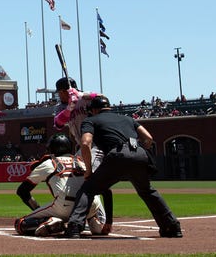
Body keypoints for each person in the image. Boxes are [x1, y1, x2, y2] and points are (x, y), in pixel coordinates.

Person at [63, 96, 182, 238]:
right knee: (147, 191)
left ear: (93, 110)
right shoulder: (128, 119)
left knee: (88, 189)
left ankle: (75, 226)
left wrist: (89, 170)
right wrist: (136, 152)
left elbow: (85, 143)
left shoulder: (90, 120)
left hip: (117, 156)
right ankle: (171, 226)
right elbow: (148, 138)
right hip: (139, 154)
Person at [14, 134, 107, 237]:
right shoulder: (82, 160)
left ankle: (51, 221)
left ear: (52, 148)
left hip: (65, 207)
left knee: (20, 224)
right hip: (91, 205)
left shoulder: (49, 163)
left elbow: (22, 191)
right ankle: (94, 222)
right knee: (88, 194)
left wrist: (38, 211)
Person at [53, 77, 113, 232]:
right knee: (88, 181)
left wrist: (81, 95)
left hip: (96, 143)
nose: (59, 96)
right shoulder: (61, 107)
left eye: (60, 92)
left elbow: (103, 100)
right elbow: (58, 124)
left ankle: (90, 219)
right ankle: (92, 218)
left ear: (64, 91)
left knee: (87, 182)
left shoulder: (84, 98)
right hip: (83, 147)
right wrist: (70, 107)